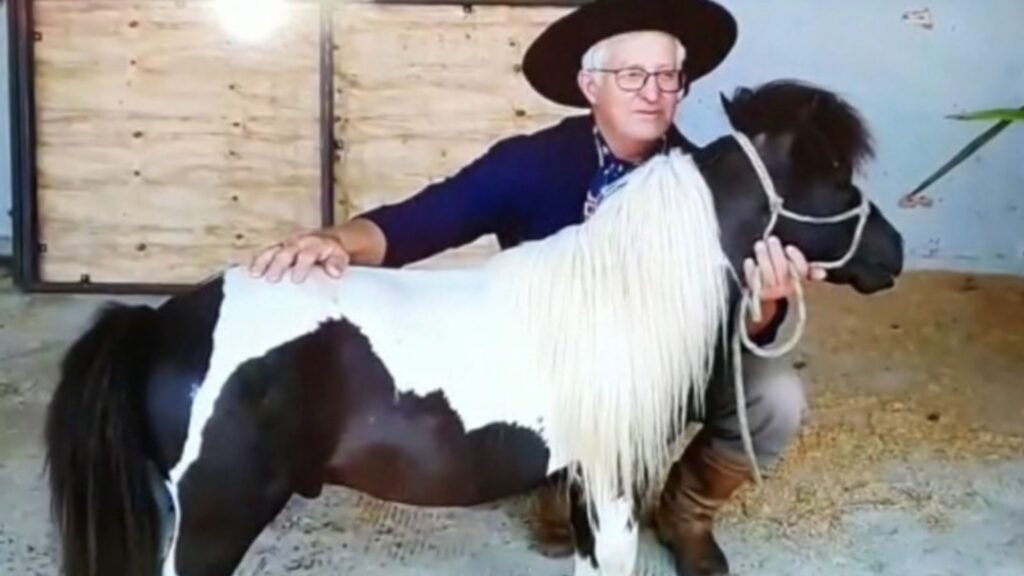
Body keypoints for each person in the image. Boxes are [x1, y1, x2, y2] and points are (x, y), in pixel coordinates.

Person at [250, 0, 823, 573]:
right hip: (551, 369)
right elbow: (416, 222)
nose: (652, 92)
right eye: (632, 75)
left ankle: (684, 512)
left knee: (774, 396)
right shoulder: (531, 163)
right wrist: (335, 241)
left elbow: (723, 331)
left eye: (668, 76)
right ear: (589, 86)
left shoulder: (706, 185)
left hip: (654, 373)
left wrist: (764, 306)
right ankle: (565, 472)